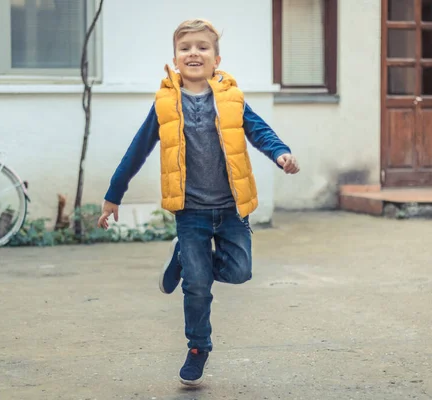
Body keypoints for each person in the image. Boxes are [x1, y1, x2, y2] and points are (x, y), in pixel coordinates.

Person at [97, 19, 299, 386]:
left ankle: (187, 262)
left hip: (231, 208)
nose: (194, 53)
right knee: (198, 287)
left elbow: (259, 132)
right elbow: (137, 150)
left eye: (202, 47)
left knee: (240, 271)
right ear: (175, 60)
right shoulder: (164, 104)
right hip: (190, 210)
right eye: (186, 47)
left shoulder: (232, 99)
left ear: (216, 59)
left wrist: (281, 154)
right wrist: (114, 195)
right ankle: (197, 346)